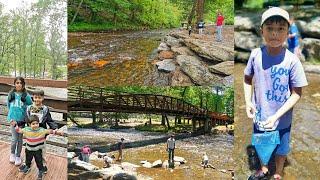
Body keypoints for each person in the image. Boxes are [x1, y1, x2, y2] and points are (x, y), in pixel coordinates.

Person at [244, 7, 308, 180]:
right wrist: (248, 102)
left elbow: (297, 93)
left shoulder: (292, 61)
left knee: (281, 148)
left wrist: (276, 115)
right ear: (261, 31)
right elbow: (247, 79)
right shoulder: (255, 55)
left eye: (281, 29)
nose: (274, 34)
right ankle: (264, 168)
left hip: (283, 118)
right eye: (270, 28)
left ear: (288, 32)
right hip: (261, 116)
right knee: (260, 144)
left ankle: (279, 171)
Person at [20, 89, 59, 173]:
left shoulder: (45, 109)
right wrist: (20, 125)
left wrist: (55, 128)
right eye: (36, 97)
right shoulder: (29, 108)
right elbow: (25, 119)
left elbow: (49, 120)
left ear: (43, 98)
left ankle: (43, 164)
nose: (37, 99)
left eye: (39, 97)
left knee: (42, 149)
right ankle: (27, 164)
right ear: (33, 97)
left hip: (41, 133)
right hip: (30, 134)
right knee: (28, 149)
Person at [16, 115, 63, 179]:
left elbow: (50, 131)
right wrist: (15, 125)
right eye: (33, 124)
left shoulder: (41, 130)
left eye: (37, 123)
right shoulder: (26, 129)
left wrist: (58, 132)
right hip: (28, 149)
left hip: (37, 150)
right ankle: (27, 167)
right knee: (28, 159)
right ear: (29, 124)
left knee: (39, 161)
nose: (35, 125)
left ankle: (40, 170)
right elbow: (19, 130)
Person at [7, 77, 33, 166]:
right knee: (14, 139)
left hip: (22, 121)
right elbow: (8, 106)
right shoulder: (11, 94)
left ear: (23, 84)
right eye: (17, 83)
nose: (19, 84)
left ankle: (18, 156)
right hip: (13, 121)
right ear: (14, 84)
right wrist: (11, 118)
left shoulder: (26, 95)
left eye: (20, 83)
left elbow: (30, 106)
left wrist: (28, 119)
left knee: (20, 139)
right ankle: (12, 154)